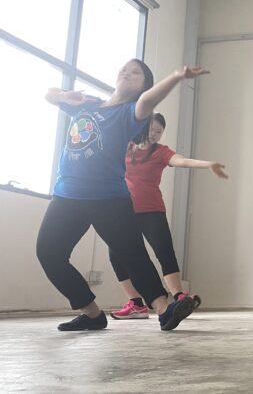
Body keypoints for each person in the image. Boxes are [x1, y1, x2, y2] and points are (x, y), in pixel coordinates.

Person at [37, 60, 208, 331]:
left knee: (133, 255)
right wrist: (64, 95)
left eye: (136, 72)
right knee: (49, 254)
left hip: (109, 198)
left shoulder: (130, 112)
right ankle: (92, 314)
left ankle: (165, 310)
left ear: (143, 86)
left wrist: (177, 76)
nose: (127, 72)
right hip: (68, 194)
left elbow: (149, 101)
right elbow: (48, 95)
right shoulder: (88, 104)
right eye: (125, 68)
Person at [109, 112, 228, 320]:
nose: (154, 134)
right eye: (151, 129)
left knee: (164, 251)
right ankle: (136, 304)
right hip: (123, 211)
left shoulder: (160, 152)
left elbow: (181, 161)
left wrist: (207, 164)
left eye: (159, 131)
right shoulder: (125, 147)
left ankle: (179, 296)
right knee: (116, 256)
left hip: (152, 210)